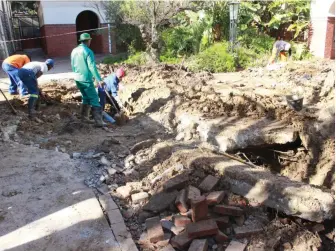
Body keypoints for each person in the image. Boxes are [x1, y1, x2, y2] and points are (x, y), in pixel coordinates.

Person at [71, 33, 105, 127]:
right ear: (88, 41)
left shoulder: (74, 51)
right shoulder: (88, 51)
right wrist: (98, 79)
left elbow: (73, 65)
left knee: (85, 97)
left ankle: (84, 118)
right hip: (86, 78)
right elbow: (92, 66)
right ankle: (99, 122)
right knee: (94, 98)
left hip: (77, 78)